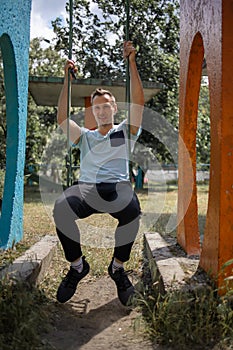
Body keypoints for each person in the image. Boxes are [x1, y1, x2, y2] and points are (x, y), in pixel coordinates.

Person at [53, 41, 144, 306]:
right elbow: (61, 118)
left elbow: (138, 102)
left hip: (117, 187)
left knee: (132, 209)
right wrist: (66, 80)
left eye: (106, 106)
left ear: (114, 108)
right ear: (93, 111)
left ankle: (117, 268)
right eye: (97, 107)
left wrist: (131, 62)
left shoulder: (124, 132)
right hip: (87, 188)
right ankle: (78, 267)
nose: (102, 111)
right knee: (61, 208)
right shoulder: (85, 137)